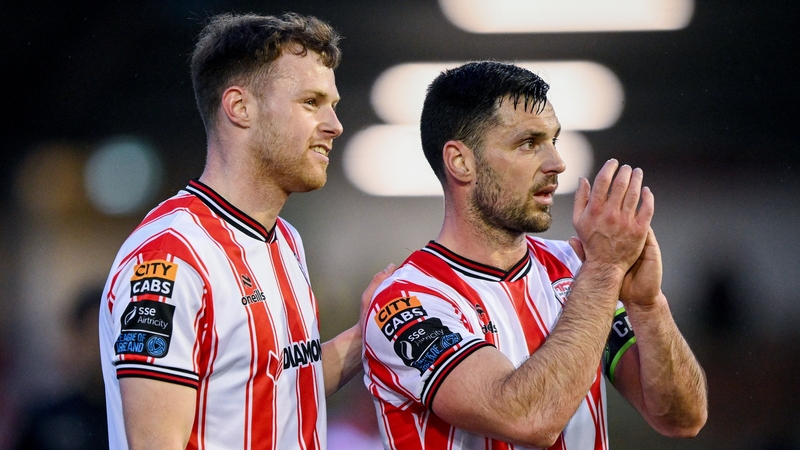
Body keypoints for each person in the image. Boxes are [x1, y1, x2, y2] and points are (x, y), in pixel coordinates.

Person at [362, 61, 708, 449]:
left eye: (553, 140)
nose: (556, 163)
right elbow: (529, 418)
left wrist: (648, 306)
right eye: (528, 143)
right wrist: (605, 269)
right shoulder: (406, 302)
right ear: (461, 161)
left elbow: (682, 418)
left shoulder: (575, 269)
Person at [99, 12, 392, 450]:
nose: (335, 125)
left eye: (332, 104)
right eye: (311, 102)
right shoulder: (171, 257)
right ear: (239, 107)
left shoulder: (285, 240)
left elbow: (280, 389)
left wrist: (366, 333)